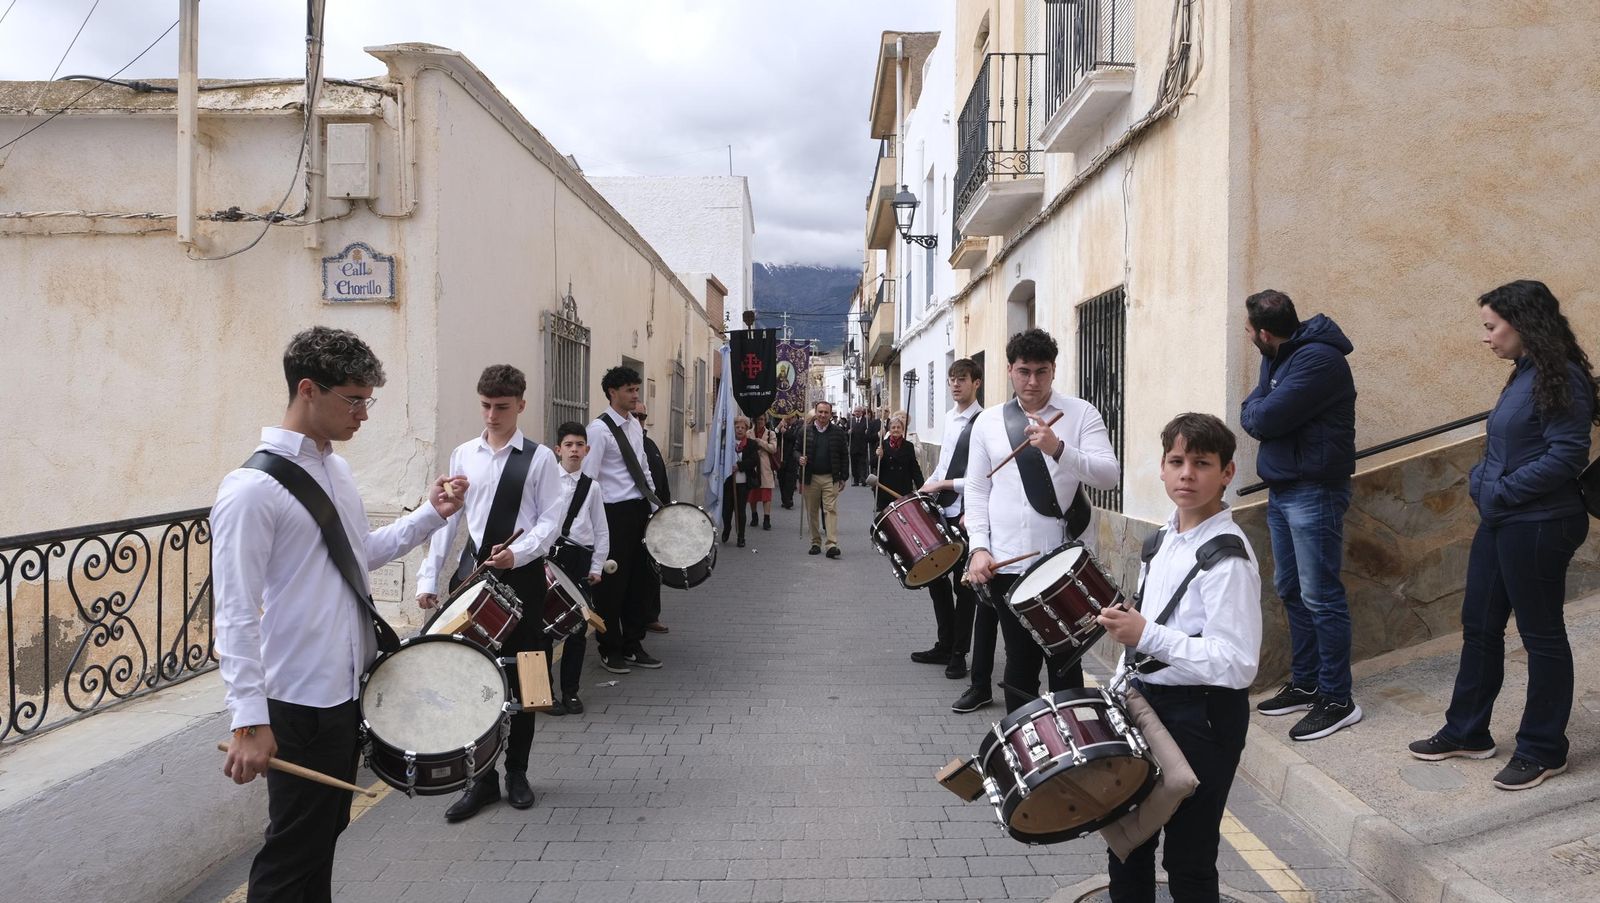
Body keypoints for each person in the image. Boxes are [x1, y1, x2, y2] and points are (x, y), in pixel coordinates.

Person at [215, 326, 467, 901]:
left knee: (324, 835)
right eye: (353, 400)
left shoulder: (337, 470)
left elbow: (360, 557)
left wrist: (431, 515)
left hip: (345, 691)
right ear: (308, 389)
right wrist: (249, 722)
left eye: (367, 399)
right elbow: (232, 612)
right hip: (297, 701)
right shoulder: (251, 490)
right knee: (290, 854)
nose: (364, 414)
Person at [1409, 280, 1597, 790]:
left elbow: (1566, 455)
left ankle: (1543, 748)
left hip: (1540, 525)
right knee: (1481, 625)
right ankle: (1468, 731)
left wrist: (1503, 490)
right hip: (1504, 520)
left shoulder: (1564, 378)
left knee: (1541, 636)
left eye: (1491, 326)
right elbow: (1507, 444)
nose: (1485, 337)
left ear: (1524, 323)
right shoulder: (1525, 375)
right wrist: (1481, 482)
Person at [1097, 412, 1262, 903]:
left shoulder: (1228, 557)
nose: (1187, 473)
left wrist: (1147, 634)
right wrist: (1123, 680)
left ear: (1227, 473)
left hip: (1204, 717)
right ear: (1163, 470)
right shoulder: (1160, 541)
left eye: (1202, 463)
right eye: (1177, 461)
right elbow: (1148, 636)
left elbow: (1237, 663)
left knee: (1189, 858)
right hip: (1149, 704)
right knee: (1129, 843)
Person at [415, 364, 566, 822]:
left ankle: (517, 772)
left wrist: (518, 555)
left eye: (502, 407)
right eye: (485, 406)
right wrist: (428, 578)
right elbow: (447, 519)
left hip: (522, 575)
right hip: (476, 575)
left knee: (527, 678)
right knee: (472, 679)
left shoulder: (540, 459)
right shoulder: (464, 455)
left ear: (521, 404)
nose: (492, 415)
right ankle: (481, 780)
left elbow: (549, 520)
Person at [963, 328, 1120, 713]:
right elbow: (977, 489)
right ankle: (1026, 754)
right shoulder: (988, 422)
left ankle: (1075, 749)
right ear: (1009, 370)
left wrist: (1058, 449)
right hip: (1005, 563)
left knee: (1065, 662)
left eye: (1042, 371)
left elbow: (1108, 475)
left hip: (1060, 564)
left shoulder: (1081, 412)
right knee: (1019, 663)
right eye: (1023, 371)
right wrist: (978, 548)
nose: (1033, 381)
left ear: (1053, 370)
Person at [1240, 289, 1362, 741]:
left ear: (1265, 333)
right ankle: (1307, 682)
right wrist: (1259, 409)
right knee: (1291, 588)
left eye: (1249, 330)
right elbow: (1256, 408)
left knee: (1321, 594)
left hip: (1315, 490)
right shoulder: (1277, 354)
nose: (1248, 335)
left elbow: (1262, 420)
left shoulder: (1318, 361)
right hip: (1285, 488)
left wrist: (1258, 411)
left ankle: (1337, 697)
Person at [585, 366, 663, 674]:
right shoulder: (599, 430)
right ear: (612, 392)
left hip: (638, 510)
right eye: (629, 390)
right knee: (611, 587)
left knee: (639, 583)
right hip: (611, 514)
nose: (635, 395)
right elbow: (589, 479)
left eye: (636, 389)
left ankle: (633, 643)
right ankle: (610, 648)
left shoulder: (633, 426)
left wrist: (656, 507)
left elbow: (643, 470)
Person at [917, 358, 982, 683]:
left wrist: (941, 485)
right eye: (952, 379)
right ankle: (945, 645)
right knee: (935, 580)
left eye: (962, 379)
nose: (956, 384)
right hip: (942, 511)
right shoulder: (949, 418)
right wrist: (927, 486)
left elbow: (979, 479)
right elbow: (944, 466)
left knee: (965, 588)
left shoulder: (983, 424)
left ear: (976, 383)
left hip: (969, 517)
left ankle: (959, 655)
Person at [546, 421, 610, 717]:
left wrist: (597, 565)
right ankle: (543, 693)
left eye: (579, 445)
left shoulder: (592, 487)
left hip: (579, 560)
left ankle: (570, 692)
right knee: (542, 628)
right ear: (558, 449)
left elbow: (601, 530)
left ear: (587, 450)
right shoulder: (544, 481)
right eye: (568, 444)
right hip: (547, 560)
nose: (574, 449)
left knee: (577, 627)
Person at [634, 400, 672, 635]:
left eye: (642, 417)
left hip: (653, 518)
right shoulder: (619, 446)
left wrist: (667, 512)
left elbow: (662, 482)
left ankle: (651, 615)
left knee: (652, 571)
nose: (638, 421)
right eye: (634, 415)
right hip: (630, 518)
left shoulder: (650, 445)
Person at [799, 400, 850, 558]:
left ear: (830, 414)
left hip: (830, 477)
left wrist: (843, 477)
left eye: (826, 412)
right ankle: (815, 542)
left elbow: (843, 455)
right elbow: (795, 449)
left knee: (830, 510)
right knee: (812, 511)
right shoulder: (805, 431)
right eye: (820, 412)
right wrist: (799, 459)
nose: (822, 415)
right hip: (811, 477)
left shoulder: (838, 432)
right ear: (815, 412)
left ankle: (831, 544)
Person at [874, 411, 924, 513]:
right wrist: (879, 456)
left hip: (903, 489)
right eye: (893, 427)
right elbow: (874, 465)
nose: (896, 430)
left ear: (902, 429)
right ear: (889, 429)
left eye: (898, 427)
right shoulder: (882, 444)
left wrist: (922, 489)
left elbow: (914, 469)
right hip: (885, 489)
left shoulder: (909, 446)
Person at [722, 415, 756, 547]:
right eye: (737, 427)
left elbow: (754, 461)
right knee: (727, 510)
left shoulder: (751, 444)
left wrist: (739, 466)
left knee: (741, 511)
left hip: (743, 483)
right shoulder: (727, 443)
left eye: (742, 427)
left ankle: (741, 536)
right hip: (729, 482)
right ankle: (727, 528)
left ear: (747, 429)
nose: (740, 430)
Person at [747, 415, 777, 530]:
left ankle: (766, 518)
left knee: (766, 493)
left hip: (765, 467)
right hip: (752, 466)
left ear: (765, 421)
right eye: (758, 419)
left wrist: (760, 442)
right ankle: (754, 516)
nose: (760, 422)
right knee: (752, 493)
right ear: (754, 420)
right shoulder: (749, 433)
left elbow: (773, 448)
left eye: (762, 419)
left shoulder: (771, 434)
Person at [777, 412, 802, 509]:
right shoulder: (783, 424)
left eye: (791, 417)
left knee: (790, 479)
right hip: (782, 456)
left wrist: (785, 432)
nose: (789, 419)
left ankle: (789, 499)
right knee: (781, 478)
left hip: (792, 457)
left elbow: (795, 437)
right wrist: (779, 428)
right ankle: (784, 499)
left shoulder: (799, 426)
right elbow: (775, 434)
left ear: (795, 417)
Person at [848, 405, 871, 485]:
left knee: (863, 464)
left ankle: (863, 479)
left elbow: (869, 433)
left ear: (862, 412)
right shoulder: (851, 421)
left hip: (862, 446)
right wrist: (848, 433)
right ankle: (856, 480)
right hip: (853, 446)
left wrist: (867, 432)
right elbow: (845, 433)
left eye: (858, 411)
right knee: (854, 464)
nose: (857, 413)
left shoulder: (866, 421)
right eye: (856, 411)